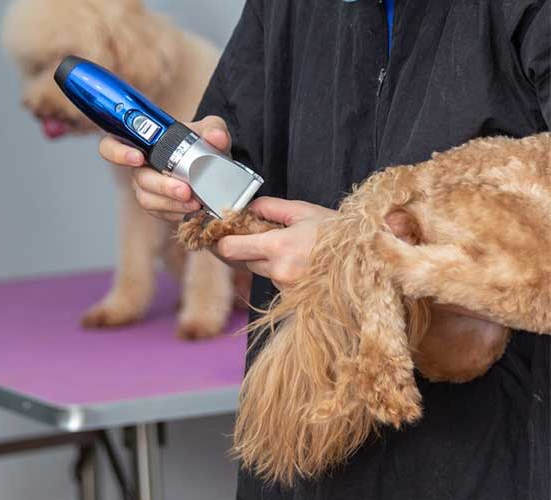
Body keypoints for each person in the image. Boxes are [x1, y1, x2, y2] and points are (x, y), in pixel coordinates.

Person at [100, 1, 550, 499]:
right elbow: (242, 155)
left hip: (499, 452)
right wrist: (196, 186)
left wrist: (356, 257)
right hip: (308, 450)